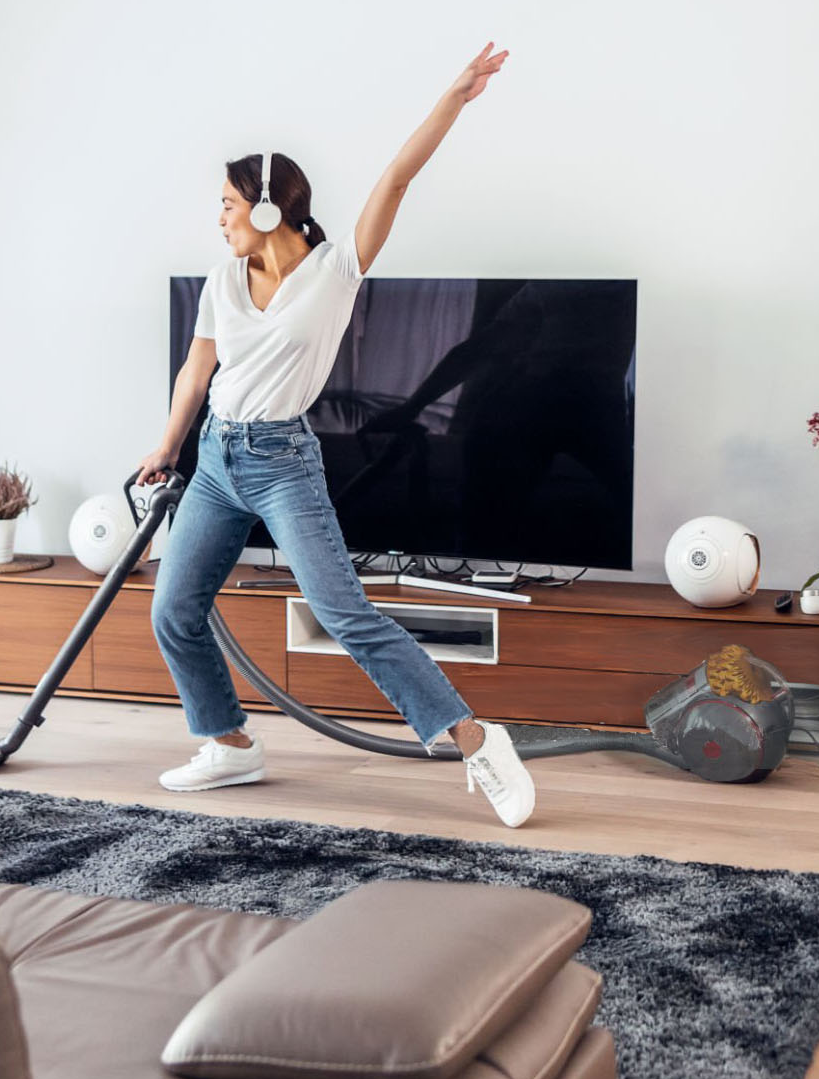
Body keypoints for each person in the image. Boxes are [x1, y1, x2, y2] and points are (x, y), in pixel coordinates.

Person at [135, 42, 536, 827]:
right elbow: (196, 370)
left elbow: (396, 178)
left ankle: (476, 739)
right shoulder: (221, 280)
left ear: (263, 209)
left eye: (226, 204)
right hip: (215, 459)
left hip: (282, 462)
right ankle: (228, 744)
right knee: (173, 609)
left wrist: (454, 96)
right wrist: (167, 445)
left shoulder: (335, 270)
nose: (218, 218)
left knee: (344, 613)